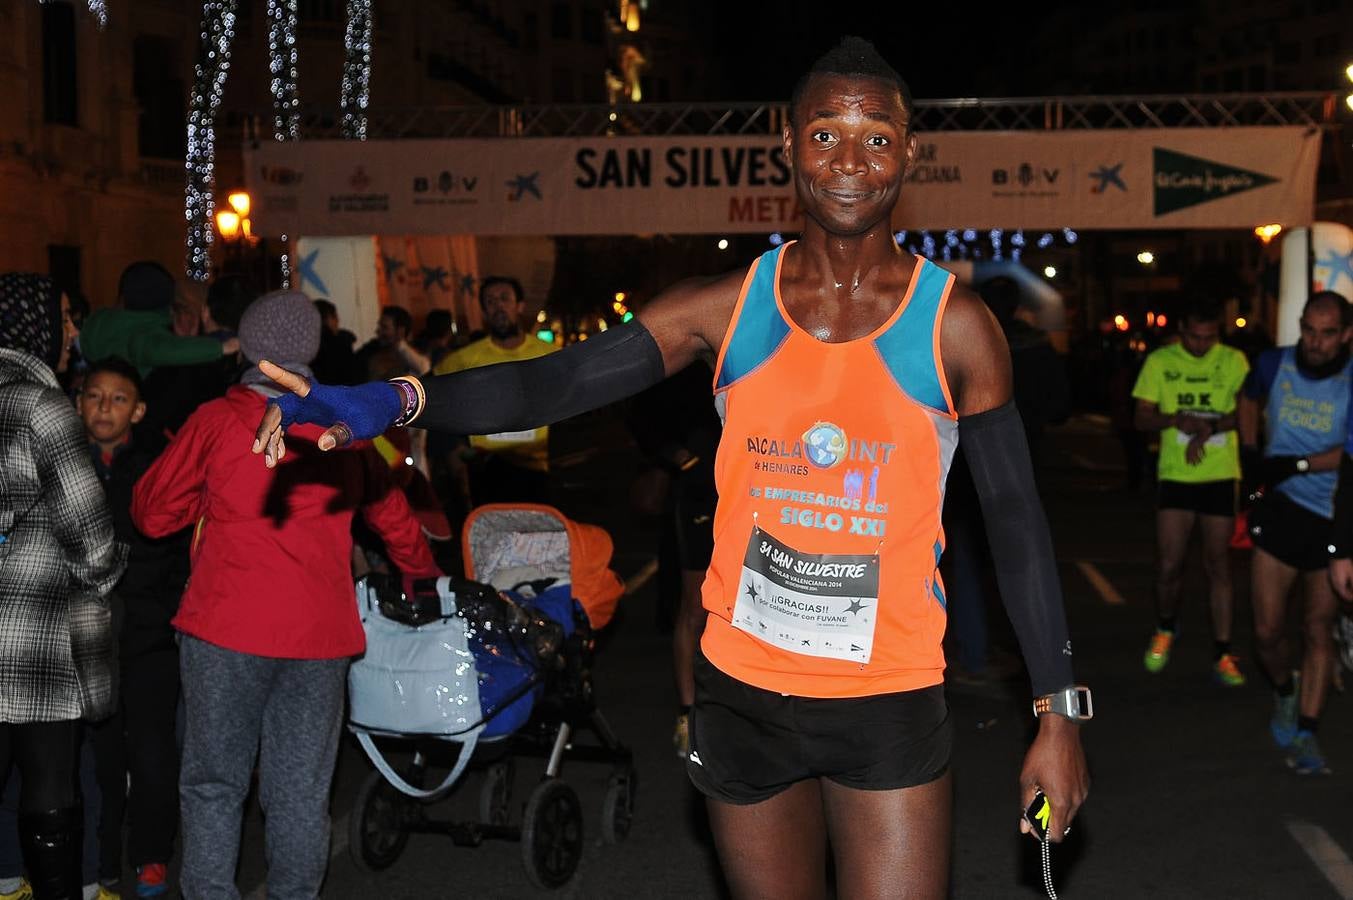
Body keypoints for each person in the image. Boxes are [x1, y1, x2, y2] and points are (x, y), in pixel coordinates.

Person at [251, 38, 1089, 898]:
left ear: (908, 152)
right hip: (742, 701)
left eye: (876, 137)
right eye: (825, 133)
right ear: (788, 143)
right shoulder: (725, 309)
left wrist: (1057, 714)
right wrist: (392, 401)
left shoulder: (955, 327)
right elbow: (557, 380)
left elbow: (1017, 523)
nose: (850, 160)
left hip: (889, 700)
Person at [131, 290, 438, 898]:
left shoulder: (216, 421)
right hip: (319, 638)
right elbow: (392, 512)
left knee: (215, 786)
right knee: (299, 794)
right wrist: (420, 574)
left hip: (226, 630)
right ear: (313, 350)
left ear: (245, 347)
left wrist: (208, 502)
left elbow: (152, 514)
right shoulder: (346, 426)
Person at [0, 273, 125, 899]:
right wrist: (104, 574)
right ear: (36, 325)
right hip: (32, 636)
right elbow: (91, 539)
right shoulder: (41, 405)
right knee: (51, 782)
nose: (73, 333)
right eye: (65, 319)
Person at [80, 357, 191, 895]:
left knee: (151, 752)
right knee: (97, 758)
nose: (104, 407)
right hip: (79, 638)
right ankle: (99, 860)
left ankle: (151, 853)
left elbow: (178, 551)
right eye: (93, 396)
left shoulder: (157, 465)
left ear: (138, 409)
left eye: (117, 398)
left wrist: (169, 613)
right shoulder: (62, 462)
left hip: (148, 635)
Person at [1241, 291, 1353, 775]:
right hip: (1282, 509)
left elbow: (1349, 454)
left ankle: (1307, 732)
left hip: (1332, 511)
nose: (1315, 341)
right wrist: (1250, 452)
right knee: (1267, 630)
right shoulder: (1274, 362)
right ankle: (1284, 692)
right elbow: (1247, 399)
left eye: (1328, 333)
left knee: (1315, 627)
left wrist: (1298, 463)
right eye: (1309, 329)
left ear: (1346, 334)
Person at [1133, 298, 1250, 685]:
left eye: (1209, 338)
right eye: (1195, 338)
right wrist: (1176, 418)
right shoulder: (1160, 361)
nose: (1201, 345)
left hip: (1219, 476)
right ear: (1182, 329)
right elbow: (1140, 417)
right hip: (1175, 477)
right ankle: (1166, 627)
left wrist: (1209, 427)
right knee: (1169, 564)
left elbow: (1249, 414)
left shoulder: (1234, 361)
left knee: (1218, 564)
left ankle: (1223, 650)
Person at [624, 359, 722, 757]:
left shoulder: (760, 340)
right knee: (696, 608)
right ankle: (687, 715)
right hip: (699, 495)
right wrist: (680, 458)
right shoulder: (687, 354)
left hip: (756, 492)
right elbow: (642, 416)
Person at [431, 277, 559, 506]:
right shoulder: (463, 359)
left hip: (537, 471)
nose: (498, 306)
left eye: (504, 299)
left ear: (519, 305)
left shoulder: (550, 354)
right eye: (490, 301)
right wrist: (452, 448)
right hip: (485, 472)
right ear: (483, 311)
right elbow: (432, 399)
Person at [78, 262, 237, 379]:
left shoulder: (97, 322)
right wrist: (222, 347)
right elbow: (159, 349)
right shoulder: (146, 335)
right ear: (168, 309)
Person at [355, 305, 430, 379]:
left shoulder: (413, 358)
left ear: (400, 331)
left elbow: (424, 368)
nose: (378, 331)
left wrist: (400, 345)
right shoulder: (372, 355)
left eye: (384, 327)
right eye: (379, 326)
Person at [310, 299, 362, 386]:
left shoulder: (307, 346)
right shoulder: (341, 343)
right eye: (335, 317)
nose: (338, 321)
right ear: (328, 319)